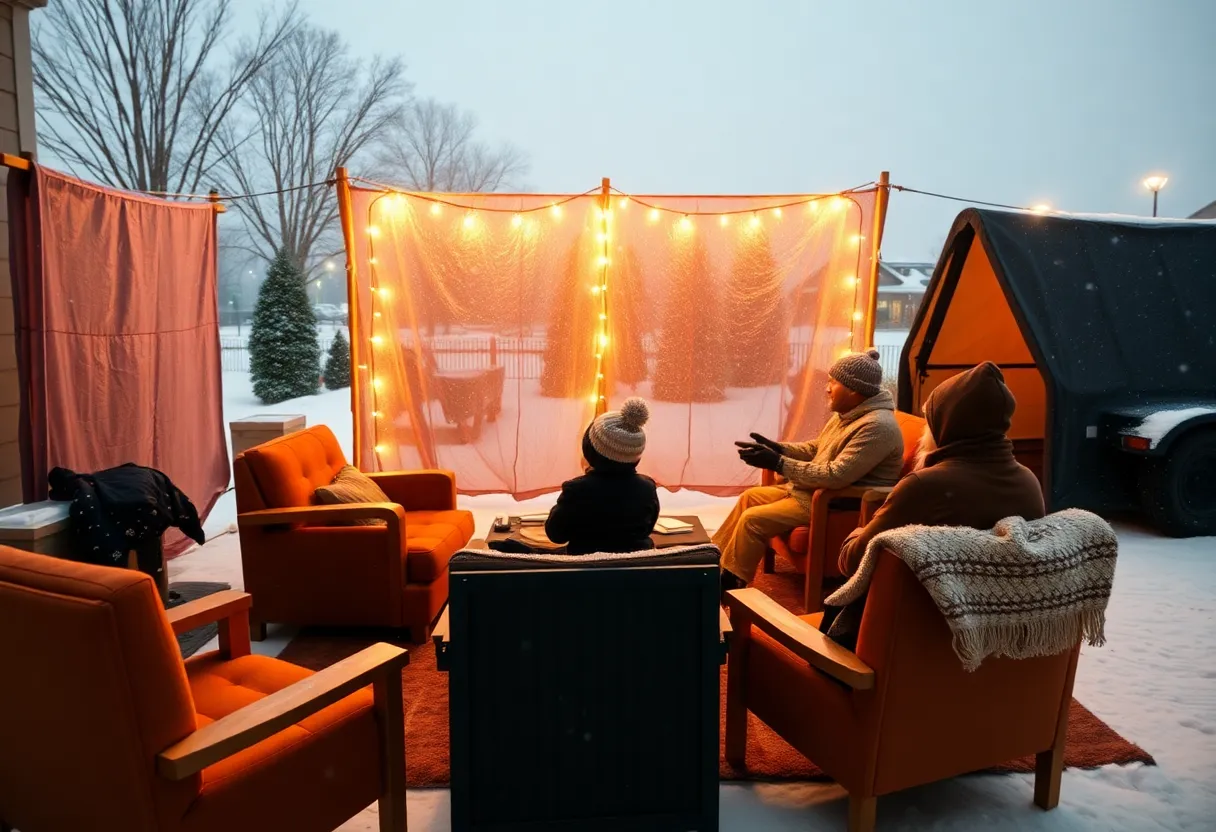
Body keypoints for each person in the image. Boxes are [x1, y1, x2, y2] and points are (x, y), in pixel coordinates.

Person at [821, 361, 1046, 648]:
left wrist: (859, 531)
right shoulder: (1029, 484)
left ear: (947, 423)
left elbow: (853, 561)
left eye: (929, 419)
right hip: (992, 648)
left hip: (910, 644)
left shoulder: (924, 486)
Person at [713, 348, 904, 594]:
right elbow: (817, 449)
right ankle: (712, 562)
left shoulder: (877, 427)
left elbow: (836, 475)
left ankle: (730, 584)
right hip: (811, 492)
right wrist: (778, 448)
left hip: (837, 502)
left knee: (753, 520)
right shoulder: (848, 414)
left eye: (832, 383)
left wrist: (779, 463)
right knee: (749, 498)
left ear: (853, 389)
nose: (826, 388)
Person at [545, 397, 661, 555]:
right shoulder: (647, 488)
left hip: (584, 573)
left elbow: (556, 535)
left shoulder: (577, 490)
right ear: (636, 457)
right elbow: (646, 528)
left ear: (589, 450)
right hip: (636, 573)